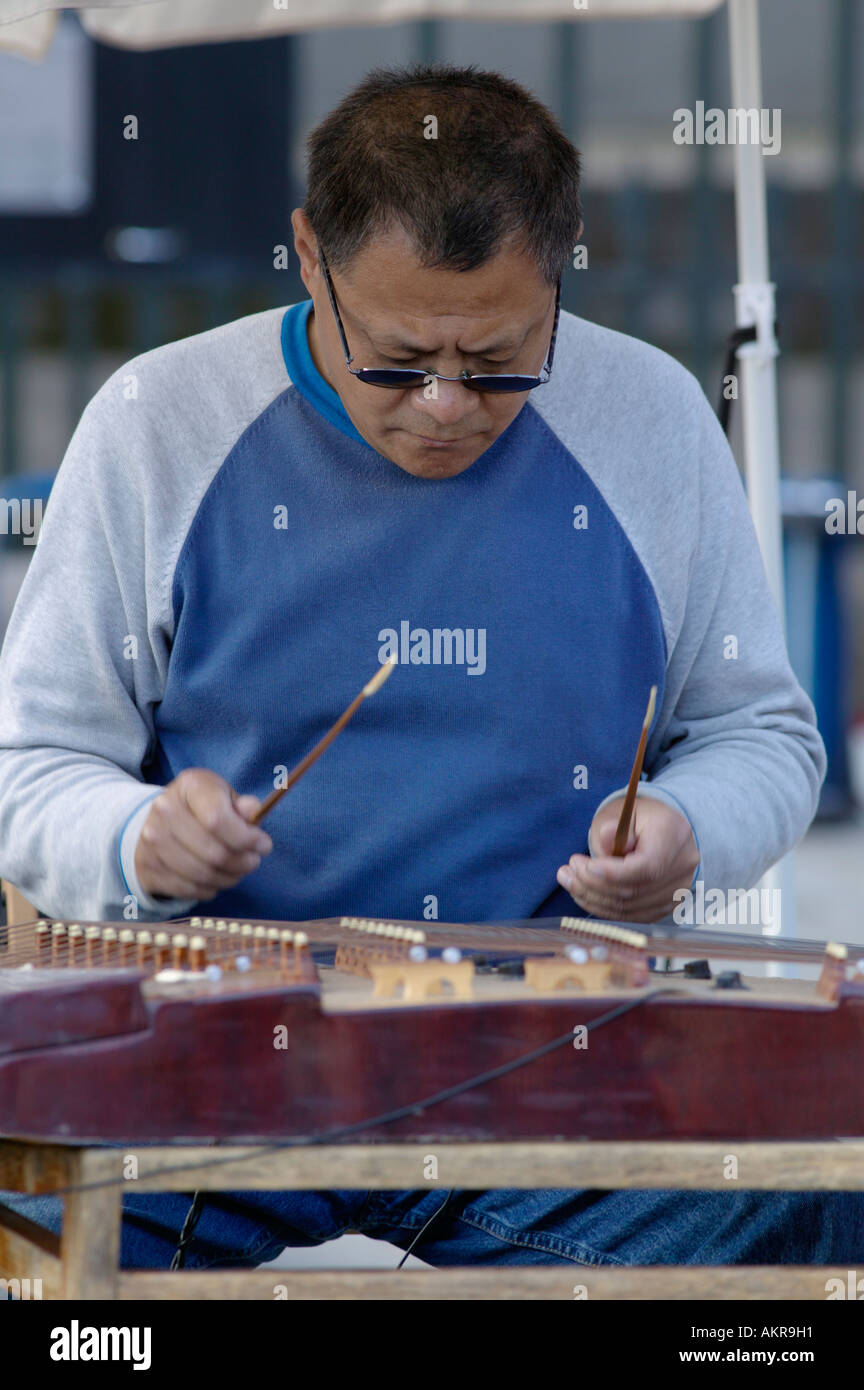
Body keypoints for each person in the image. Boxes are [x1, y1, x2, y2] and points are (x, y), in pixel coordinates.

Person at [1, 64, 857, 1272]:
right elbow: (33, 763)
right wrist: (137, 839)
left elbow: (762, 734)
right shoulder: (158, 422)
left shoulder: (654, 419)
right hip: (210, 1058)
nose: (449, 405)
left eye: (501, 358)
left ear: (565, 264)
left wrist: (682, 828)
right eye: (400, 360)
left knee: (806, 1202)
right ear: (308, 255)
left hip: (547, 1060)